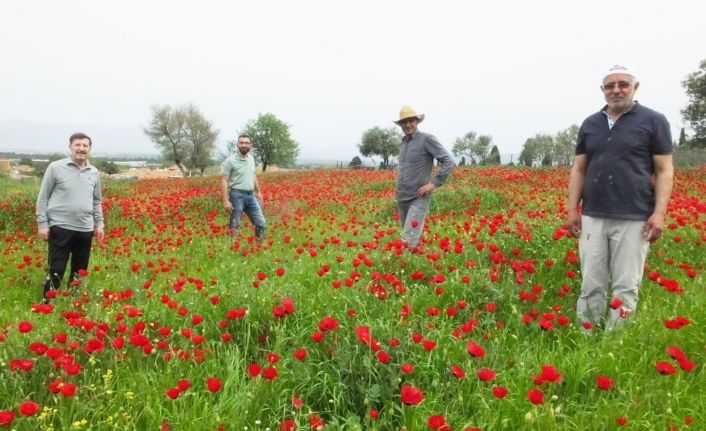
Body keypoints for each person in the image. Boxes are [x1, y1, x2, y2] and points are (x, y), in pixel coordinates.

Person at [567, 65, 674, 332]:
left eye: (623, 84)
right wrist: (572, 209)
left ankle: (616, 341)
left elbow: (664, 170)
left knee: (626, 285)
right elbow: (579, 168)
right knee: (591, 281)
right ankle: (586, 336)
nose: (616, 90)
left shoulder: (654, 121)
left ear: (635, 87)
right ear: (602, 90)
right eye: (610, 85)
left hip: (634, 215)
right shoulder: (590, 124)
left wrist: (658, 212)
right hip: (593, 215)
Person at [36, 132, 105, 301]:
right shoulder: (56, 167)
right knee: (57, 267)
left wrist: (100, 224)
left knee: (79, 269)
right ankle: (47, 302)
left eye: (85, 146)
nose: (81, 149)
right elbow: (43, 197)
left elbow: (96, 200)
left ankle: (73, 302)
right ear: (70, 147)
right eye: (77, 145)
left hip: (85, 228)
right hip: (61, 226)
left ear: (89, 149)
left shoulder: (93, 172)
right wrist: (42, 224)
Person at [394, 105, 455, 249]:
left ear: (417, 122)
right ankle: (418, 265)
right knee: (411, 239)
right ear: (401, 125)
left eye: (411, 121)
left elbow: (449, 161)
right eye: (404, 122)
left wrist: (433, 183)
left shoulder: (427, 139)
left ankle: (404, 268)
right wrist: (399, 188)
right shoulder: (404, 143)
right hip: (402, 197)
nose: (408, 125)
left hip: (418, 197)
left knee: (407, 240)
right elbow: (405, 168)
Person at [221, 134, 266, 241]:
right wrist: (225, 200)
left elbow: (253, 175)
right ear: (237, 144)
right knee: (235, 225)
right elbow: (224, 180)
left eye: (246, 143)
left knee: (261, 223)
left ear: (251, 145)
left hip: (251, 195)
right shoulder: (230, 161)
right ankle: (232, 248)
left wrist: (258, 192)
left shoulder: (251, 159)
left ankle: (259, 247)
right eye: (241, 143)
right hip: (236, 195)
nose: (244, 145)